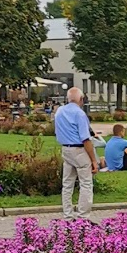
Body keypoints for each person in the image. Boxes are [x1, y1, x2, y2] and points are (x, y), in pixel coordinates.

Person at [55, 88, 98, 218]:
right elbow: (85, 138)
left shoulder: (59, 111)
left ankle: (67, 216)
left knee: (67, 184)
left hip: (65, 148)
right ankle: (83, 217)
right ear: (81, 99)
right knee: (86, 183)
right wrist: (93, 160)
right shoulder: (79, 114)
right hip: (79, 149)